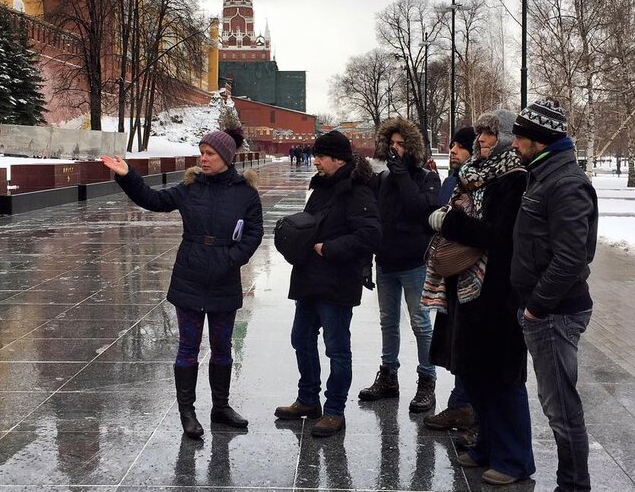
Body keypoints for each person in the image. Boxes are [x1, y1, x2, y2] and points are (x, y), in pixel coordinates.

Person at [102, 128, 264, 440]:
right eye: (201, 152)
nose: (203, 158)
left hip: (225, 278)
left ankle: (221, 407)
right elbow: (153, 200)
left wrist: (230, 260)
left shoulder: (245, 192)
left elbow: (254, 232)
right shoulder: (190, 187)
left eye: (210, 154)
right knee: (188, 347)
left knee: (222, 346)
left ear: (226, 157)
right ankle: (187, 413)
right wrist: (127, 175)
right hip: (190, 275)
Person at [424, 110, 535, 486]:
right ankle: (487, 446)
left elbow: (499, 237)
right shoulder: (474, 175)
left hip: (499, 292)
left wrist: (451, 223)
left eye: (491, 133)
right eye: (481, 133)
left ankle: (515, 459)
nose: (482, 139)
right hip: (470, 289)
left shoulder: (514, 179)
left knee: (503, 378)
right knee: (477, 375)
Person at [511, 99, 597, 492]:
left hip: (555, 314)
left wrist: (536, 306)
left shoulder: (564, 182)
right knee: (557, 407)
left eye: (519, 136)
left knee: (563, 411)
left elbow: (571, 258)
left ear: (538, 139)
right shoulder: (544, 174)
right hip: (547, 311)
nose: (514, 143)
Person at [275, 130, 381, 437]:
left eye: (321, 156)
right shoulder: (322, 186)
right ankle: (308, 399)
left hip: (337, 282)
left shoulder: (357, 190)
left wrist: (329, 248)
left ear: (338, 159)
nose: (316, 161)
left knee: (337, 349)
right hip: (309, 278)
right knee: (301, 339)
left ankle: (334, 410)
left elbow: (371, 235)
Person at [357, 117, 440, 412]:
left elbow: (420, 209)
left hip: (414, 263)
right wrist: (366, 261)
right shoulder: (383, 180)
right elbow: (372, 221)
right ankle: (388, 375)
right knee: (388, 321)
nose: (395, 149)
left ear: (412, 147)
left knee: (420, 323)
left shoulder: (426, 177)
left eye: (401, 144)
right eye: (391, 144)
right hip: (386, 261)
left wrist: (403, 175)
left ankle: (427, 379)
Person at [423, 127, 478, 437]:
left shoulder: (478, 184)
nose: (453, 150)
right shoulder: (452, 181)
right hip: (452, 273)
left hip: (471, 274)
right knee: (456, 340)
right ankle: (461, 403)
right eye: (452, 144)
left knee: (468, 344)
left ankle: (467, 407)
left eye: (460, 146)